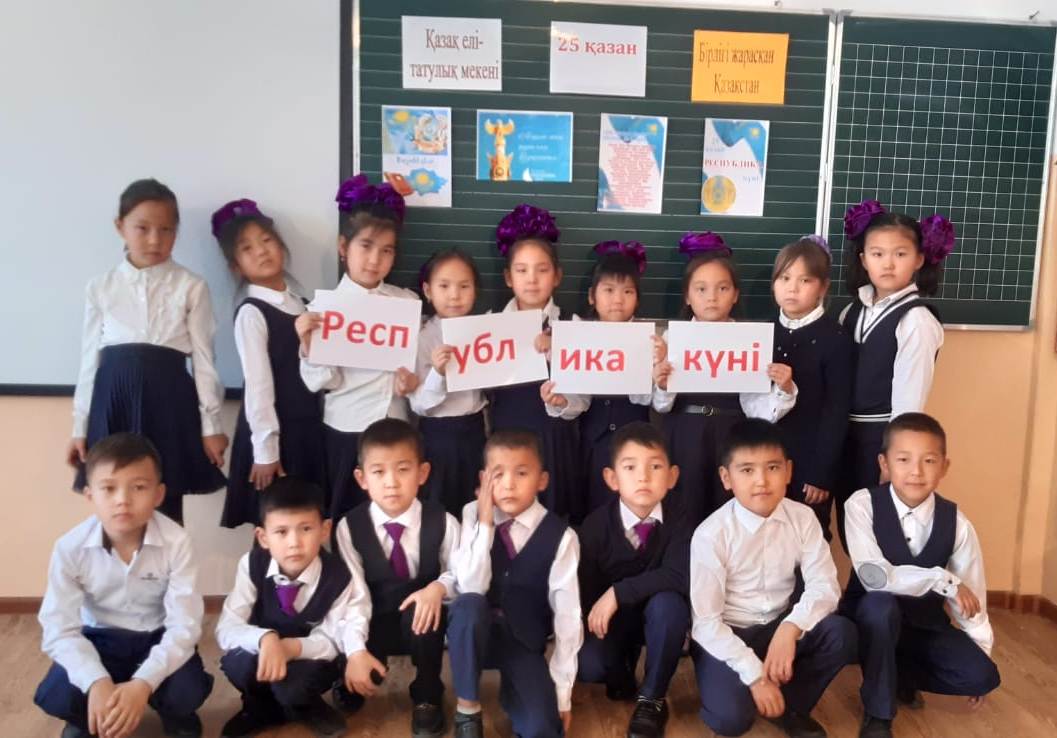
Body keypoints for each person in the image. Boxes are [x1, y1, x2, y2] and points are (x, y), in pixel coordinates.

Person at [68, 179, 227, 523]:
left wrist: (211, 425)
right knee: (114, 498)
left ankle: (168, 559)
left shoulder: (191, 286)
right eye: (142, 228)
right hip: (113, 402)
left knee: (166, 500)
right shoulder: (100, 287)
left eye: (166, 230)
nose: (155, 240)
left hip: (169, 401)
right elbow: (88, 361)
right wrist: (79, 426)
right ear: (120, 227)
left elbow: (204, 360)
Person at [35, 433, 212, 738]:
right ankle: (88, 716)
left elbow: (185, 625)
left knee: (187, 690)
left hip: (156, 636)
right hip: (99, 639)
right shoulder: (69, 548)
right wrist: (96, 681)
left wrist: (143, 683)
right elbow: (58, 628)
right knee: (59, 694)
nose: (123, 500)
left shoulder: (177, 542)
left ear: (158, 495)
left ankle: (175, 714)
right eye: (108, 488)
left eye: (138, 487)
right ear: (90, 495)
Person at [689, 419, 856, 737]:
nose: (761, 481)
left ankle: (790, 705)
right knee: (730, 721)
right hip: (730, 633)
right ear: (726, 478)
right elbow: (706, 623)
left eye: (773, 468)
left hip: (779, 626)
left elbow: (825, 586)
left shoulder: (803, 518)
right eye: (747, 470)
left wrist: (790, 628)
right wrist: (755, 676)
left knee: (841, 634)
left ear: (789, 472)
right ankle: (751, 685)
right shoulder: (711, 534)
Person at [842, 412, 1000, 738]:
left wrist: (979, 652)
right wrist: (941, 580)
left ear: (944, 467)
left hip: (923, 624)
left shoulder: (957, 524)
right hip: (868, 620)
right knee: (880, 606)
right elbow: (875, 577)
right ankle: (878, 712)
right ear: (884, 464)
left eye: (928, 461)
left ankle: (898, 676)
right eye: (903, 460)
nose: (916, 471)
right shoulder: (861, 505)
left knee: (982, 675)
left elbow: (972, 595)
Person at [296, 174, 420, 520]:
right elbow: (319, 383)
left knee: (396, 521)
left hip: (396, 429)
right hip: (345, 431)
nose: (374, 259)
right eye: (365, 246)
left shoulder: (406, 303)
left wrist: (411, 384)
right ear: (343, 247)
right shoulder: (322, 310)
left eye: (386, 250)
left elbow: (415, 372)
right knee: (346, 520)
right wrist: (309, 346)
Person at [447, 430, 583, 738]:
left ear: (542, 480)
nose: (508, 484)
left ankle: (514, 690)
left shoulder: (562, 536)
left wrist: (562, 692)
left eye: (521, 473)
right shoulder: (471, 514)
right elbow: (469, 585)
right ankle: (467, 708)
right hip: (475, 638)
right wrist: (485, 523)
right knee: (468, 605)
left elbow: (568, 616)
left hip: (523, 643)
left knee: (543, 729)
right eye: (498, 475)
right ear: (484, 479)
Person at [332, 419, 460, 737]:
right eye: (378, 472)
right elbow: (353, 594)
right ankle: (356, 666)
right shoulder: (349, 527)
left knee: (424, 612)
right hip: (373, 616)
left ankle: (428, 693)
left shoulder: (443, 521)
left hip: (423, 621)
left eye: (403, 470)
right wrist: (355, 651)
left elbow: (461, 573)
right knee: (360, 674)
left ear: (422, 473)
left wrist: (438, 587)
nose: (391, 483)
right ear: (362, 478)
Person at [212, 197, 325, 527]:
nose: (261, 251)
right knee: (274, 523)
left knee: (307, 521)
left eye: (266, 240)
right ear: (236, 266)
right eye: (247, 248)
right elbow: (258, 385)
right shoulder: (252, 313)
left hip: (307, 427)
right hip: (275, 432)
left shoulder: (303, 304)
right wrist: (266, 451)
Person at [215, 478, 355, 737]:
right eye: (281, 532)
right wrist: (265, 639)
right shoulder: (252, 565)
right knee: (238, 664)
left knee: (294, 687)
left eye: (305, 529)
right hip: (263, 651)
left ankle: (306, 707)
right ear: (263, 537)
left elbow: (333, 640)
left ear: (324, 530)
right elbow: (227, 628)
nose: (294, 543)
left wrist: (289, 648)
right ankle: (257, 708)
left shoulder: (339, 575)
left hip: (308, 659)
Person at [576, 421, 691, 738]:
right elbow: (587, 598)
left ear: (672, 476)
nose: (643, 477)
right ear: (612, 479)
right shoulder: (595, 527)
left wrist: (617, 592)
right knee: (590, 666)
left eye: (655, 467)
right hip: (614, 622)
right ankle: (622, 668)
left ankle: (652, 699)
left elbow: (679, 575)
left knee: (669, 606)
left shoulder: (681, 516)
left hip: (659, 617)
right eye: (630, 467)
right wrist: (614, 662)